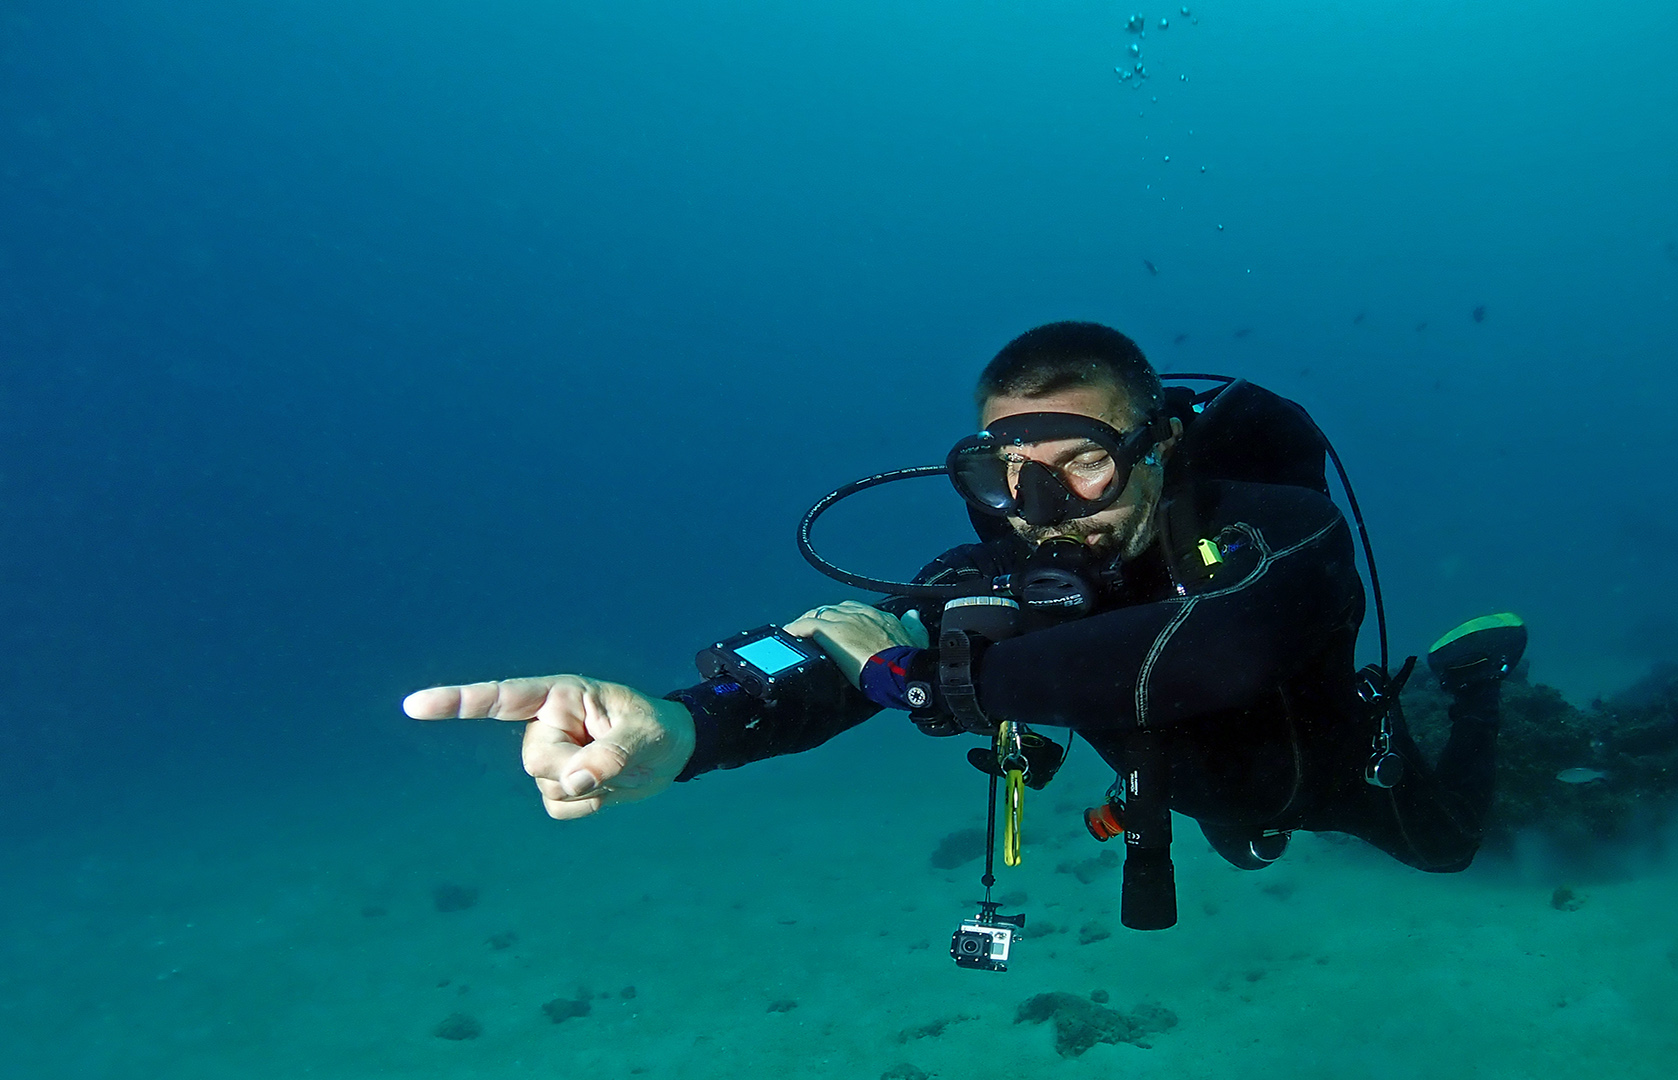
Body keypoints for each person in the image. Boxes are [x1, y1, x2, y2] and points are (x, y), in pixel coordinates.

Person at [404, 322, 1524, 889]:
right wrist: (688, 728)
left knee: (1449, 851)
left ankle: (1471, 693)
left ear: (1159, 443)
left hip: (1338, 771)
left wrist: (925, 682)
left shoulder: (1283, 530)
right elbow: (848, 651)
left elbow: (1221, 652)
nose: (1040, 506)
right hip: (1184, 798)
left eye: (1080, 459)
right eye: (1005, 470)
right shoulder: (1008, 567)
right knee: (1237, 836)